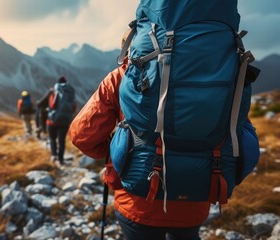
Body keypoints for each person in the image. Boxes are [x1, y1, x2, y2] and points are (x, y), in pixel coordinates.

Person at [69, 28, 210, 240]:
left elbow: (82, 135)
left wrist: (115, 152)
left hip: (137, 200)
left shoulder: (121, 77)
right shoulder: (209, 76)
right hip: (194, 196)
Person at [46, 76, 76, 165]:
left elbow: (52, 105)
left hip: (53, 120)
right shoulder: (70, 92)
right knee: (61, 141)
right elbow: (73, 107)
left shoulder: (54, 92)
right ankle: (61, 159)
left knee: (52, 138)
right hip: (65, 120)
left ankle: (54, 155)